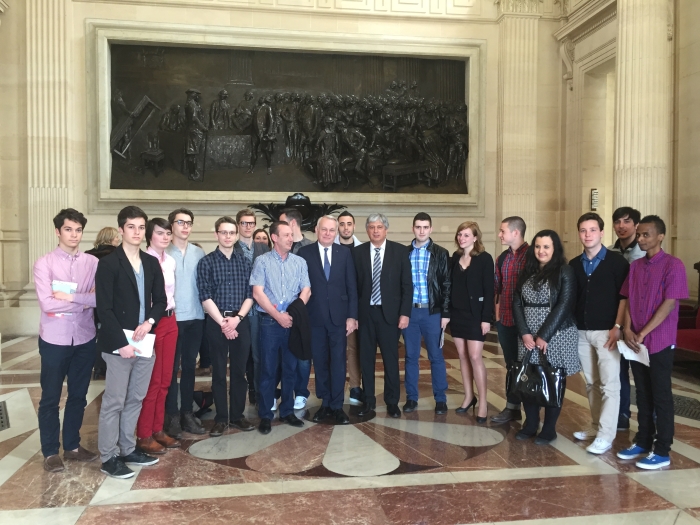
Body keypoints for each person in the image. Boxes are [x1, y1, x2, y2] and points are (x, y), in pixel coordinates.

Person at [96, 206, 167, 479]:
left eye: (140, 227)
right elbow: (104, 309)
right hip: (118, 345)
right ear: (121, 230)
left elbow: (160, 300)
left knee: (136, 397)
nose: (136, 232)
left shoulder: (150, 263)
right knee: (114, 401)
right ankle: (108, 456)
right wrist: (119, 343)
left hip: (145, 341)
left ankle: (127, 448)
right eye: (131, 227)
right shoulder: (109, 263)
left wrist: (149, 322)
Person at [617, 215, 688, 469]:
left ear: (660, 236)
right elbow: (627, 298)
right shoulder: (635, 267)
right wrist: (627, 328)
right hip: (635, 341)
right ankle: (643, 440)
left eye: (646, 234)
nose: (641, 239)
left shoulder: (673, 265)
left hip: (659, 340)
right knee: (643, 394)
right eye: (640, 235)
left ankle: (662, 449)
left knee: (661, 395)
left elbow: (669, 304)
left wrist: (643, 332)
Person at [34, 208, 99, 473]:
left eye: (78, 230)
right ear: (58, 231)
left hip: (84, 337)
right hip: (54, 338)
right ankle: (50, 451)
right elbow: (48, 304)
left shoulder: (92, 263)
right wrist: (84, 302)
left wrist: (71, 299)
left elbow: (99, 299)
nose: (74, 234)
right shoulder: (45, 263)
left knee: (79, 395)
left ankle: (71, 445)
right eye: (69, 229)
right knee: (50, 398)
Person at [513, 230, 580, 445]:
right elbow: (516, 302)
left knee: (552, 380)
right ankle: (530, 424)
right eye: (538, 246)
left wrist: (544, 335)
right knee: (528, 378)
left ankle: (549, 429)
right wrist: (524, 332)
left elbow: (565, 304)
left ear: (555, 249)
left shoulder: (564, 271)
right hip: (527, 336)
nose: (541, 251)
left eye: (546, 247)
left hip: (557, 335)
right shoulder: (527, 271)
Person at [569, 213, 629, 454]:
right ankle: (596, 426)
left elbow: (624, 298)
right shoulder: (574, 265)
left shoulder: (617, 263)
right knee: (592, 383)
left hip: (607, 332)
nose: (587, 235)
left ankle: (606, 435)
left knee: (610, 384)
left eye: (592, 230)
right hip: (582, 331)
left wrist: (618, 327)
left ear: (602, 232)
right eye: (583, 230)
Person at [251, 221, 311, 434]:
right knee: (268, 369)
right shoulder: (262, 261)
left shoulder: (300, 262)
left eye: (291, 234)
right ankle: (266, 414)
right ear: (274, 238)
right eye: (286, 235)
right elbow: (258, 293)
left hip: (293, 323)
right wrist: (278, 316)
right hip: (269, 323)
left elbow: (306, 290)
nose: (290, 238)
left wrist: (292, 313)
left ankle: (287, 411)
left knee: (290, 369)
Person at [197, 217, 256, 436]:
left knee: (240, 372)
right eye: (224, 232)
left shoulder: (245, 262)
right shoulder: (207, 262)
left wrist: (237, 319)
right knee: (219, 373)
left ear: (236, 234)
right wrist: (223, 322)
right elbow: (205, 296)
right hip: (216, 323)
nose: (228, 236)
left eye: (232, 232)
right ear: (217, 234)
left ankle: (238, 416)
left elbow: (251, 294)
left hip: (241, 321)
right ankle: (222, 418)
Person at [298, 216, 358, 424]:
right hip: (314, 318)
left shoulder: (345, 253)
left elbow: (352, 287)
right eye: (324, 229)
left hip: (339, 319)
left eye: (332, 230)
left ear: (336, 232)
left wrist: (352, 316)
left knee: (339, 363)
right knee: (321, 363)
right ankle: (325, 404)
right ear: (316, 229)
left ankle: (337, 405)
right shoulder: (304, 253)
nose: (328, 233)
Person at [352, 213, 412, 419]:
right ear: (367, 230)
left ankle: (392, 401)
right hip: (365, 315)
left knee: (391, 360)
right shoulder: (357, 253)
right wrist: (353, 315)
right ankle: (368, 401)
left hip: (391, 316)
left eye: (379, 227)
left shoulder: (400, 252)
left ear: (386, 229)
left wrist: (405, 313)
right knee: (366, 360)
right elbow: (353, 288)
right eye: (371, 227)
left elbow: (407, 286)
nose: (375, 231)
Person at [134, 219, 180, 454]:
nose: (165, 237)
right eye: (160, 233)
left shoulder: (170, 260)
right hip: (153, 323)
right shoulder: (143, 261)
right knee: (151, 382)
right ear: (149, 236)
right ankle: (144, 434)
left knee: (165, 380)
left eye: (168, 233)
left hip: (171, 319)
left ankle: (158, 429)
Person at [164, 208, 207, 438]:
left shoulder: (198, 253)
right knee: (171, 369)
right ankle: (171, 415)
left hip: (196, 317)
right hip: (172, 319)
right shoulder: (162, 252)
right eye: (180, 222)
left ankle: (187, 413)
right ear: (172, 226)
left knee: (190, 367)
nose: (185, 226)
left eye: (189, 222)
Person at [402, 213, 450, 415]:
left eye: (425, 227)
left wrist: (445, 313)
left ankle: (440, 399)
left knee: (436, 356)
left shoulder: (440, 253)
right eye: (418, 227)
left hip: (432, 313)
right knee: (411, 357)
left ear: (431, 229)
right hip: (410, 312)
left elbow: (447, 284)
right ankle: (412, 399)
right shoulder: (403, 253)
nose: (421, 231)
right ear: (413, 228)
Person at [449, 221, 493, 422]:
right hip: (457, 314)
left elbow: (489, 290)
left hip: (476, 316)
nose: (462, 238)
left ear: (475, 237)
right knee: (462, 355)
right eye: (460, 234)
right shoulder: (454, 258)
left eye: (466, 235)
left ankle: (483, 401)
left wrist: (486, 319)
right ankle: (469, 396)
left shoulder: (484, 259)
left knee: (475, 357)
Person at [607, 206, 646, 432]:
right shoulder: (611, 253)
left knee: (641, 372)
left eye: (627, 221)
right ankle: (621, 413)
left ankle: (647, 419)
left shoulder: (643, 253)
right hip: (616, 317)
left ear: (636, 225)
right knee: (618, 369)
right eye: (617, 221)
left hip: (639, 321)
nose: (621, 226)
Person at [491, 216, 529, 424]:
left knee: (529, 368)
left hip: (527, 325)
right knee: (511, 366)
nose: (499, 235)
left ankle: (531, 412)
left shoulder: (533, 255)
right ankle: (512, 407)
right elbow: (497, 289)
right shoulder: (502, 258)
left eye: (502, 231)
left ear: (515, 232)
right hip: (505, 321)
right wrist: (497, 316)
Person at [234, 209, 270, 406]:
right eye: (244, 223)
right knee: (241, 356)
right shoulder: (230, 247)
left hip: (259, 310)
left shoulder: (263, 248)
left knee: (258, 355)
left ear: (255, 225)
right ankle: (242, 396)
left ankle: (258, 392)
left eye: (251, 223)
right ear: (238, 225)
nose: (247, 227)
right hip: (238, 310)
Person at [278, 208, 313, 410]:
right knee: (280, 355)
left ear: (292, 224)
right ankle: (282, 392)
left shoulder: (310, 248)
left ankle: (301, 392)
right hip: (280, 311)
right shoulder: (278, 247)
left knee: (302, 354)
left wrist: (298, 307)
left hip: (304, 310)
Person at [334, 210, 364, 406]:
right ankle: (335, 387)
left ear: (354, 226)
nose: (346, 227)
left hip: (356, 307)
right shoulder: (330, 246)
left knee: (354, 349)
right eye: (342, 224)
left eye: (349, 224)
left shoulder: (362, 249)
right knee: (335, 349)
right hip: (334, 308)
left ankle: (355, 386)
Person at [86, 226, 122, 380]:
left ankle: (96, 367)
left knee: (93, 334)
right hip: (112, 301)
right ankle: (106, 367)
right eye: (116, 237)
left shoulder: (87, 255)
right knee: (109, 332)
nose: (119, 239)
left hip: (91, 300)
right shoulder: (117, 255)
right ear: (111, 238)